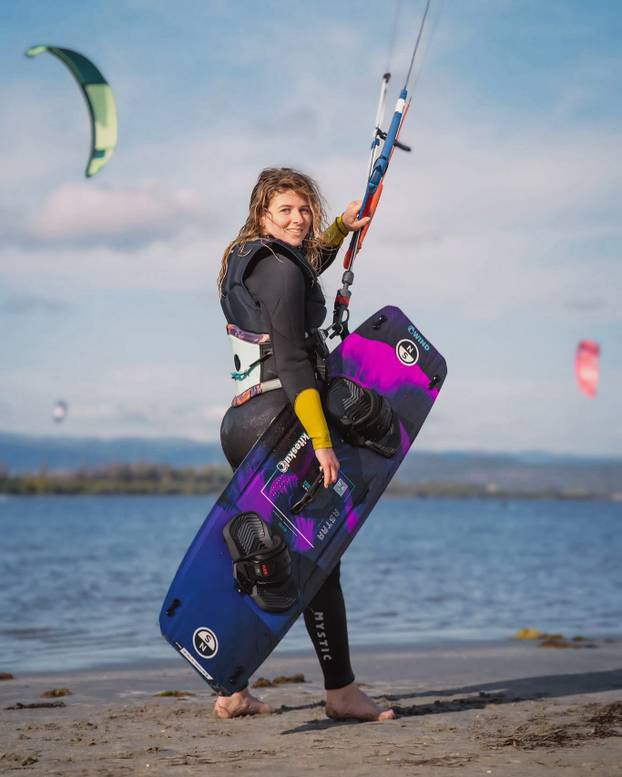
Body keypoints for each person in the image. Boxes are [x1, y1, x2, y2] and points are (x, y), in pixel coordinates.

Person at [214, 167, 395, 722]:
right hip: (284, 423)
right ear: (261, 214)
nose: (298, 219)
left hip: (243, 425)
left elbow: (303, 266)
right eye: (285, 211)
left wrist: (340, 227)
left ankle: (231, 687)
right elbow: (294, 361)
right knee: (319, 557)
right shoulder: (281, 272)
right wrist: (320, 440)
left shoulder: (251, 262)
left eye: (304, 210)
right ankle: (340, 691)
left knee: (266, 557)